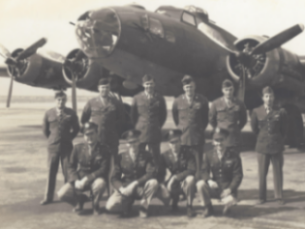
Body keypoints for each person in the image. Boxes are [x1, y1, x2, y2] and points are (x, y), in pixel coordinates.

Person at [57, 122, 111, 215]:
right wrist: (76, 180)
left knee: (100, 184)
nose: (89, 137)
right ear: (83, 136)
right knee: (62, 194)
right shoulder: (77, 148)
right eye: (87, 134)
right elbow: (70, 166)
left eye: (92, 133)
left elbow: (103, 169)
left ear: (97, 133)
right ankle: (79, 201)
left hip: (96, 178)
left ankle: (95, 204)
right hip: (80, 178)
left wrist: (87, 178)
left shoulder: (104, 149)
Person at [106, 130, 159, 218]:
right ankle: (128, 203)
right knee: (110, 206)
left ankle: (143, 207)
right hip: (126, 188)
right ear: (127, 144)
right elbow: (114, 178)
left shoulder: (147, 155)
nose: (133, 145)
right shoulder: (121, 157)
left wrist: (136, 183)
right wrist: (122, 189)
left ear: (139, 142)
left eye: (135, 142)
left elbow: (151, 173)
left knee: (153, 182)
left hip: (141, 188)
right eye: (130, 142)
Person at [41, 91, 79, 205]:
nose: (60, 102)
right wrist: (52, 139)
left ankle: (69, 195)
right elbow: (45, 130)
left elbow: (76, 129)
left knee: (68, 172)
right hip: (53, 148)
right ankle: (48, 197)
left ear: (65, 101)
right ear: (55, 100)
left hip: (67, 147)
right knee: (51, 172)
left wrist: (68, 138)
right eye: (58, 100)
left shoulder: (71, 113)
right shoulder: (49, 113)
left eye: (63, 100)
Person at [250, 86, 287, 205]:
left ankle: (279, 196)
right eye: (266, 96)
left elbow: (284, 130)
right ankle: (261, 197)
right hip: (262, 146)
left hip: (276, 145)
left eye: (271, 96)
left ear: (274, 97)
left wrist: (278, 140)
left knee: (277, 171)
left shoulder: (280, 111)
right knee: (262, 172)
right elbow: (254, 129)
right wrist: (263, 138)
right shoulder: (256, 111)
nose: (269, 98)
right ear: (263, 98)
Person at [196, 128, 243, 217]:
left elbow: (238, 175)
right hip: (215, 188)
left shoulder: (234, 156)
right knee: (200, 184)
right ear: (213, 142)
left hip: (228, 189)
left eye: (222, 140)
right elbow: (203, 171)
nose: (219, 143)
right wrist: (209, 180)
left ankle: (227, 205)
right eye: (216, 140)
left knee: (228, 207)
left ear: (226, 140)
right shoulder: (209, 154)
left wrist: (230, 189)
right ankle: (208, 208)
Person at [172, 75, 209, 175]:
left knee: (198, 168)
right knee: (184, 166)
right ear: (184, 88)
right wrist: (183, 129)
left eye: (191, 87)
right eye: (187, 87)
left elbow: (205, 118)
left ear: (195, 87)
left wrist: (198, 129)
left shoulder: (202, 100)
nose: (189, 89)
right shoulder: (178, 101)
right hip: (183, 139)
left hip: (197, 139)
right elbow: (176, 118)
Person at [81, 78, 124, 162]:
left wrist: (114, 131)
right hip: (97, 140)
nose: (105, 89)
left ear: (109, 88)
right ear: (98, 88)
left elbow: (121, 119)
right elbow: (84, 119)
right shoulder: (91, 102)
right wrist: (90, 133)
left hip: (112, 139)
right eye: (103, 87)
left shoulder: (116, 102)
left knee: (113, 163)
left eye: (107, 87)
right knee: (98, 163)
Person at [156, 129, 196, 218]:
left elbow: (192, 169)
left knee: (191, 179)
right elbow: (160, 173)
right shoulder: (164, 155)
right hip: (172, 183)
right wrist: (162, 185)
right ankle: (174, 202)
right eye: (171, 142)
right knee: (160, 188)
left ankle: (189, 206)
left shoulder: (188, 153)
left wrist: (176, 177)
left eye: (176, 141)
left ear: (180, 141)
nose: (174, 145)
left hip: (184, 181)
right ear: (168, 144)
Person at [130, 74, 167, 165]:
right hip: (141, 132)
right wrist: (138, 126)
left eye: (151, 84)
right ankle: (140, 174)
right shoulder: (137, 98)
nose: (149, 86)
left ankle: (156, 175)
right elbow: (133, 115)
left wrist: (157, 125)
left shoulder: (159, 98)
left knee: (155, 155)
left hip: (154, 131)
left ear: (154, 85)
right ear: (143, 85)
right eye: (147, 84)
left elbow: (163, 115)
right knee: (140, 155)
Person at [209, 79, 247, 153]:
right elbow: (211, 119)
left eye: (230, 89)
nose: (228, 92)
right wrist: (217, 129)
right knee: (220, 161)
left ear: (233, 90)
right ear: (222, 90)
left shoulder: (239, 103)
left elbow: (243, 119)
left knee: (235, 161)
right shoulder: (216, 103)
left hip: (234, 138)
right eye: (226, 90)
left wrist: (236, 128)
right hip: (220, 138)